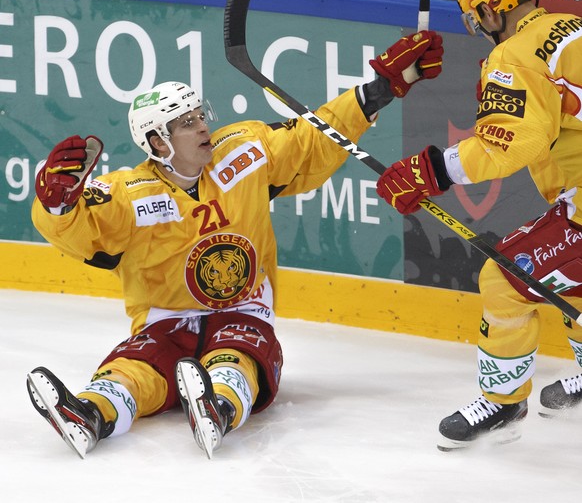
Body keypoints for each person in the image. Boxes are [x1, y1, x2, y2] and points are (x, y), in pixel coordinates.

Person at [26, 31, 444, 459]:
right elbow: (80, 230)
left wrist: (378, 90)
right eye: (186, 123)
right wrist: (56, 205)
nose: (203, 125)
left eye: (199, 114)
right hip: (164, 322)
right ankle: (91, 414)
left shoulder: (244, 151)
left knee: (235, 359)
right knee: (135, 369)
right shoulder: (128, 196)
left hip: (243, 311)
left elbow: (312, 140)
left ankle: (218, 408)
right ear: (157, 142)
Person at [375, 0, 582, 451]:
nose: (479, 28)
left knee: (505, 281)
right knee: (570, 271)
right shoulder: (571, 26)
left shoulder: (514, 55)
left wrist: (430, 171)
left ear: (492, 10)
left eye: (476, 17)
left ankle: (504, 400)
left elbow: (510, 142)